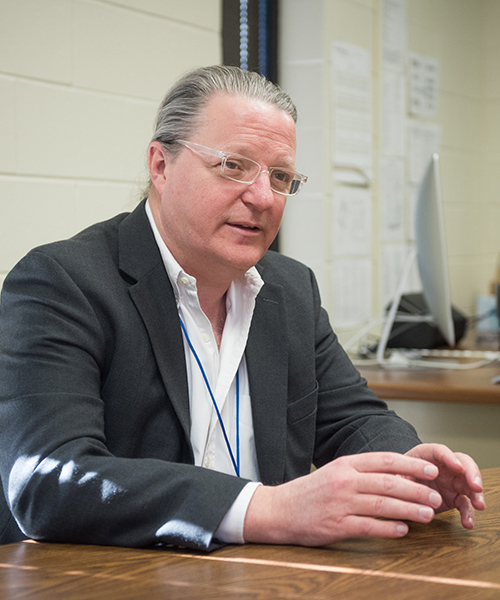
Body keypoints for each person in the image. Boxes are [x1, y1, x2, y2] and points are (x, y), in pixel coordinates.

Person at [0, 65, 485, 550]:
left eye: (280, 177)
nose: (261, 197)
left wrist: (414, 467)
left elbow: (350, 419)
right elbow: (47, 478)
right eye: (233, 165)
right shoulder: (64, 283)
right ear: (160, 165)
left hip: (270, 579)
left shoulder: (291, 288)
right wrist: (266, 509)